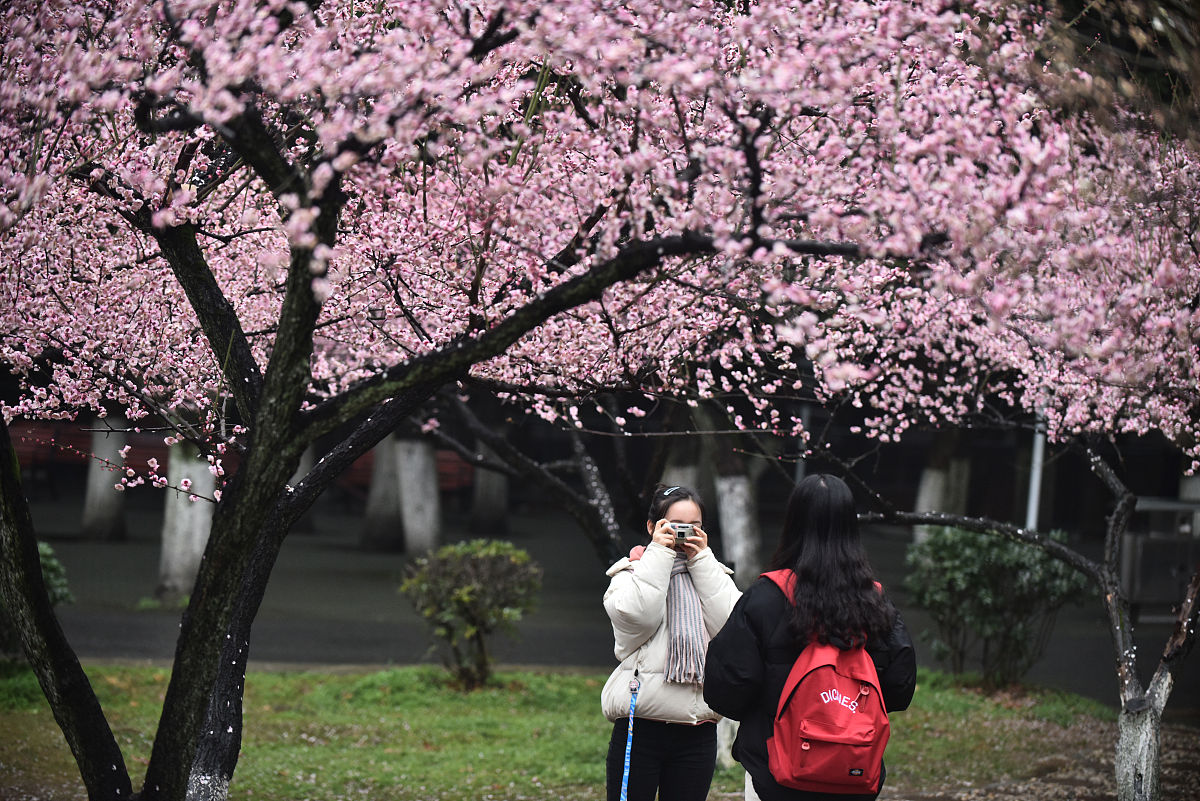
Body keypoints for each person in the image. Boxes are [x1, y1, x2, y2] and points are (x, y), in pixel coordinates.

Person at [703, 474, 917, 801]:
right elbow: (900, 689)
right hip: (853, 773)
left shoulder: (765, 598)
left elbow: (726, 690)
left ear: (793, 522)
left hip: (774, 773)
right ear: (850, 525)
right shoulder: (875, 603)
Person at [601, 482, 742, 801]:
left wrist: (702, 561)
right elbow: (638, 616)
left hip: (698, 731)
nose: (684, 534)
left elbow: (731, 628)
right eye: (674, 526)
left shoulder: (714, 575)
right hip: (640, 729)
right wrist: (660, 554)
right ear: (652, 527)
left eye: (694, 527)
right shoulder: (629, 575)